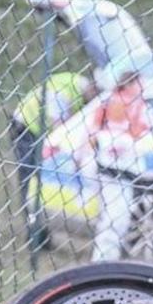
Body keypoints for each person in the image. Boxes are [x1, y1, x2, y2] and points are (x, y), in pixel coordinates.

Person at [86, 66, 153, 262]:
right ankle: (104, 259)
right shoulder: (133, 106)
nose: (142, 88)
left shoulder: (111, 102)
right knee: (117, 216)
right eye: (139, 83)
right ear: (129, 83)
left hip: (110, 167)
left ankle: (105, 256)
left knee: (112, 215)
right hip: (118, 168)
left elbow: (92, 132)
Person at [10, 72, 97, 219]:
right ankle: (33, 224)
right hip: (27, 128)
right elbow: (59, 127)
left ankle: (38, 222)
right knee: (30, 177)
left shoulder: (76, 88)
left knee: (38, 177)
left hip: (39, 133)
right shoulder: (64, 90)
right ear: (92, 88)